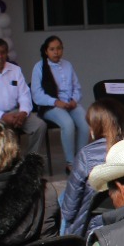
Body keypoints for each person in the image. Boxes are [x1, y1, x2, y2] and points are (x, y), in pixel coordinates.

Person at [60, 98, 124, 238]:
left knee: (63, 199)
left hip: (92, 232)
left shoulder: (86, 155)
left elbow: (68, 211)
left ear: (96, 127)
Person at [0, 39, 47, 158]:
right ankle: (3, 165)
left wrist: (23, 112)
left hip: (15, 112)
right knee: (1, 131)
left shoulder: (15, 70)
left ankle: (29, 162)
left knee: (39, 125)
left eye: (3, 52)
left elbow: (24, 94)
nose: (0, 56)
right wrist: (3, 116)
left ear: (7, 53)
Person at [30, 35, 89, 172]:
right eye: (52, 49)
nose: (56, 52)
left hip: (70, 104)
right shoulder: (39, 67)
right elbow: (37, 94)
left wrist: (74, 100)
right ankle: (70, 163)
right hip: (50, 106)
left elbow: (77, 87)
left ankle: (80, 160)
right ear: (46, 51)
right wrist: (56, 102)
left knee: (85, 123)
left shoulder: (67, 65)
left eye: (59, 49)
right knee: (67, 124)